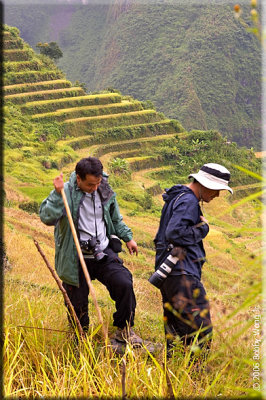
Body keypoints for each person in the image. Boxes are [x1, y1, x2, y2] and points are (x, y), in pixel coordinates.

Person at [40, 156, 143, 346]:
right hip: (75, 257)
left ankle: (124, 330)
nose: (94, 188)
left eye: (97, 183)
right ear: (78, 178)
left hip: (102, 251)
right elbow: (46, 217)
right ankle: (80, 339)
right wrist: (56, 194)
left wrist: (128, 237)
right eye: (90, 184)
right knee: (77, 305)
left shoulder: (104, 188)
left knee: (124, 283)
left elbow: (115, 218)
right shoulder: (66, 192)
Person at [153, 163, 233, 357]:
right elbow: (174, 233)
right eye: (216, 190)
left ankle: (175, 373)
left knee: (175, 329)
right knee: (200, 330)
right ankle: (195, 377)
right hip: (182, 273)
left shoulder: (178, 197)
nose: (216, 196)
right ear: (205, 185)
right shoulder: (188, 201)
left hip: (171, 274)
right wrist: (203, 229)